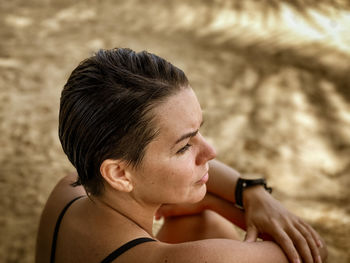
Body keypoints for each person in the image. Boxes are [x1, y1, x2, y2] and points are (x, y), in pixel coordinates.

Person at [36, 48, 327, 263]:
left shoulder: (67, 191)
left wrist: (250, 192)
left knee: (202, 222)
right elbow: (311, 251)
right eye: (184, 146)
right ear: (119, 174)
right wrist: (235, 206)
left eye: (199, 131)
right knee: (212, 220)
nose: (211, 152)